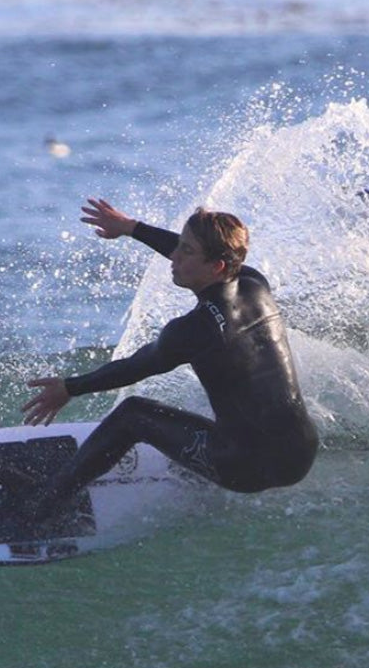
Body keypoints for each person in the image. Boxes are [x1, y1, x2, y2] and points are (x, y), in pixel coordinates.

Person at [22, 198, 318, 510]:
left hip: (244, 468)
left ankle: (43, 505)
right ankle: (192, 473)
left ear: (216, 267)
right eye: (180, 245)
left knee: (132, 415)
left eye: (186, 251)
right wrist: (131, 228)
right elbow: (199, 254)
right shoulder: (253, 284)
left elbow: (135, 367)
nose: (173, 256)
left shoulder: (194, 329)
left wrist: (69, 387)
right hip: (299, 455)